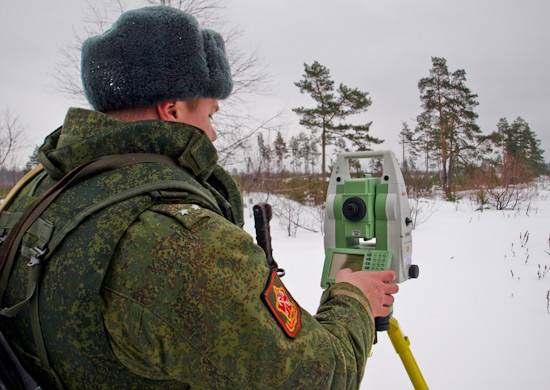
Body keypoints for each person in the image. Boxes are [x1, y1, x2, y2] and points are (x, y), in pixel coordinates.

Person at [0, 6, 398, 389]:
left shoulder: (36, 192)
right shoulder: (179, 239)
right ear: (172, 111)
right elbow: (320, 378)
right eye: (211, 115)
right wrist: (354, 297)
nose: (214, 134)